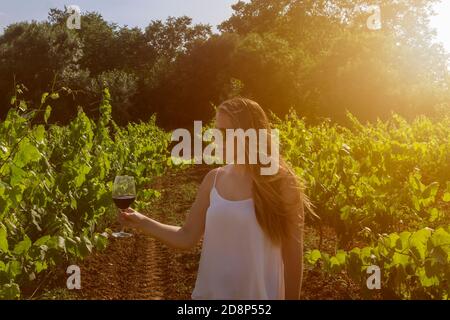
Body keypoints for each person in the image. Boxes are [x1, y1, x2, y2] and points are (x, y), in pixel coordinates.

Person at [118, 97, 314, 300]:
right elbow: (187, 236)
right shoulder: (213, 179)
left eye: (224, 132)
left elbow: (292, 256)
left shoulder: (280, 182)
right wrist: (141, 221)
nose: (215, 138)